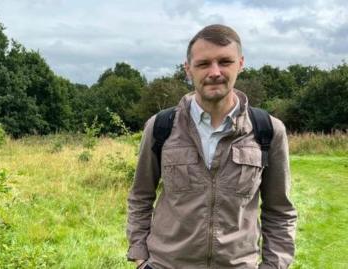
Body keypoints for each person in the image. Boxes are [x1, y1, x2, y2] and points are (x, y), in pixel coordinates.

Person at [126, 24, 297, 269]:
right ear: (188, 69)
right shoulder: (161, 127)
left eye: (225, 62)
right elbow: (140, 196)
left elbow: (280, 210)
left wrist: (274, 265)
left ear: (240, 63)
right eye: (203, 64)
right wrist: (141, 258)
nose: (214, 72)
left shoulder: (267, 130)